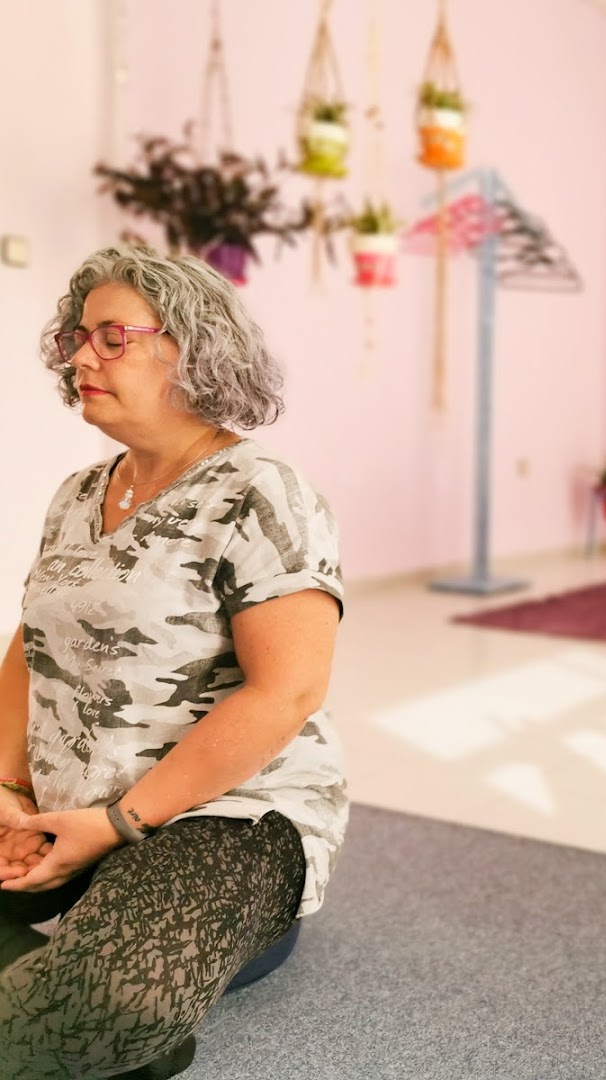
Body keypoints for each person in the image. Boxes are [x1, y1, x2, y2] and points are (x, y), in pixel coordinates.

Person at [0, 246, 348, 1078]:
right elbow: (31, 646)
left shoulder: (262, 490)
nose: (82, 356)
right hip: (58, 809)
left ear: (191, 349)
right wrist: (8, 788)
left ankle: (94, 1007)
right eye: (78, 338)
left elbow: (286, 692)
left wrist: (118, 825)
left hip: (218, 819)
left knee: (122, 996)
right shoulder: (81, 492)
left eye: (111, 337)